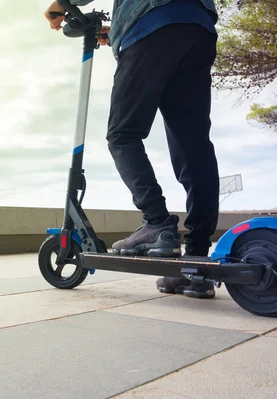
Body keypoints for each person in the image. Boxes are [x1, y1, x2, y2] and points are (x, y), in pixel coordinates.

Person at [44, 0, 220, 299]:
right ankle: (197, 259)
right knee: (193, 145)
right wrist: (120, 30)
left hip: (149, 25)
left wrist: (62, 4)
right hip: (197, 27)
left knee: (122, 134)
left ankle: (157, 223)